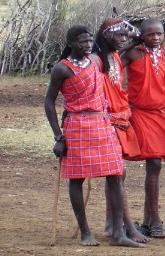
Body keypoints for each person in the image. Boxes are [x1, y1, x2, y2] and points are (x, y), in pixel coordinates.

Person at [44, 25, 142, 248]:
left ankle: (118, 233)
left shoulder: (97, 62)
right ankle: (85, 232)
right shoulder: (62, 68)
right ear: (71, 43)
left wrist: (133, 33)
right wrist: (58, 137)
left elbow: (119, 43)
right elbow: (49, 101)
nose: (88, 45)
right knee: (77, 178)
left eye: (90, 41)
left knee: (116, 174)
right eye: (82, 41)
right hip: (76, 125)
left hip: (101, 123)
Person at [121, 18, 165, 238]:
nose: (156, 38)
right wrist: (132, 42)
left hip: (161, 115)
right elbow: (112, 66)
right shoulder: (132, 54)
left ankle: (150, 221)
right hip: (137, 113)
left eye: (159, 34)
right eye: (150, 34)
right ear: (142, 35)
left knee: (155, 165)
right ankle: (148, 220)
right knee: (143, 163)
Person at [93, 18, 150, 244]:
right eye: (119, 36)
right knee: (117, 173)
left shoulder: (115, 54)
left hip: (119, 118)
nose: (124, 40)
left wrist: (125, 28)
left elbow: (137, 36)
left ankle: (113, 224)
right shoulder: (96, 60)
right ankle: (124, 226)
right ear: (106, 36)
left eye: (125, 37)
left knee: (116, 173)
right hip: (105, 119)